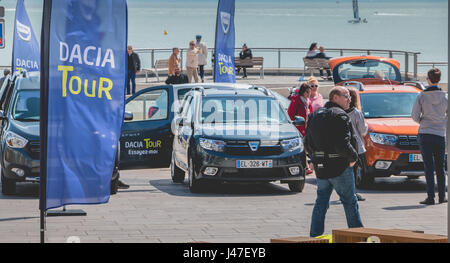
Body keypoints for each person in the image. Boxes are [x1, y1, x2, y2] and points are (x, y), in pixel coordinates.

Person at [305, 86, 363, 237]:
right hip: (340, 166)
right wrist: (354, 158)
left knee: (321, 201)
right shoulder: (340, 115)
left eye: (350, 96)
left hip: (322, 167)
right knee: (350, 202)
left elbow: (308, 143)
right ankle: (358, 235)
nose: (349, 99)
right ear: (335, 97)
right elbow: (342, 143)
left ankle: (315, 236)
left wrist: (316, 158)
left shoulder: (315, 115)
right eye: (346, 96)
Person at [412, 68, 448, 205]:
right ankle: (442, 196)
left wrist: (423, 121)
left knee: (428, 166)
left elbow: (414, 116)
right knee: (441, 167)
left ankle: (430, 197)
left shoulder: (421, 96)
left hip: (425, 133)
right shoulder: (445, 96)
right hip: (440, 134)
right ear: (439, 79)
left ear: (428, 79)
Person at [346, 88, 368, 202]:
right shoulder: (356, 113)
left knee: (346, 171)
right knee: (355, 170)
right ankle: (353, 192)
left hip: (344, 146)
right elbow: (363, 130)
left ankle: (347, 192)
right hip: (357, 146)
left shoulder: (340, 112)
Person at [288, 83, 313, 175]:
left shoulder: (308, 101)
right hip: (298, 128)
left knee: (307, 148)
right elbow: (291, 114)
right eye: (307, 92)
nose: (309, 94)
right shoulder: (296, 100)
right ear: (303, 92)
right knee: (302, 148)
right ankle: (306, 167)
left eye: (310, 92)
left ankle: (307, 166)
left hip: (306, 128)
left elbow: (310, 113)